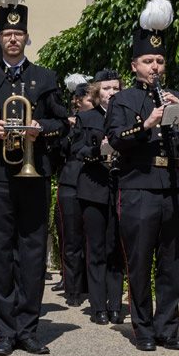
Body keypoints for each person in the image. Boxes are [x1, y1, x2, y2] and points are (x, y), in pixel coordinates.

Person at [0, 0, 69, 356]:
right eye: (7, 34)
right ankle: (5, 329)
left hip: (34, 174)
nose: (12, 39)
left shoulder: (45, 79)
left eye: (18, 34)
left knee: (31, 253)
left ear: (27, 38)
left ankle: (29, 328)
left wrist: (41, 128)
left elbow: (63, 121)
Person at [106, 0, 179, 353]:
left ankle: (168, 328)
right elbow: (116, 140)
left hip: (175, 187)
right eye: (148, 61)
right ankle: (143, 329)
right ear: (135, 65)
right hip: (139, 187)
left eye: (160, 61)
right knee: (140, 260)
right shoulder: (124, 101)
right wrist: (147, 124)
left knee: (172, 261)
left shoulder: (175, 96)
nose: (155, 67)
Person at [73, 70, 123, 324]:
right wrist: (96, 150)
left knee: (116, 249)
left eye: (115, 88)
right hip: (93, 187)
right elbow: (75, 148)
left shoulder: (126, 117)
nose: (111, 93)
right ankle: (97, 306)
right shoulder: (87, 117)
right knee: (97, 248)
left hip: (120, 187)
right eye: (106, 89)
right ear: (97, 92)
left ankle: (115, 305)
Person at [54, 77, 90, 304]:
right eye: (87, 97)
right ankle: (72, 287)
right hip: (70, 181)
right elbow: (58, 153)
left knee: (92, 239)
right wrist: (67, 130)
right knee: (71, 238)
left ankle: (88, 285)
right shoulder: (68, 124)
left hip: (93, 181)